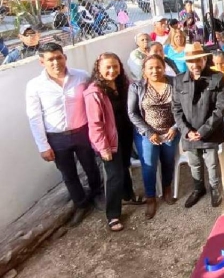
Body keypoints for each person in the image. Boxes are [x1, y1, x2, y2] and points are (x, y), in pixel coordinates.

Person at [25, 43, 102, 227]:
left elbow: (93, 101)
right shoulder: (35, 86)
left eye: (58, 57)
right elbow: (34, 117)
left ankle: (98, 194)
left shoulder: (81, 76)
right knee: (68, 174)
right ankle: (81, 204)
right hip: (56, 138)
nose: (55, 62)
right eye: (50, 59)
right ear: (41, 62)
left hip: (82, 132)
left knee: (91, 166)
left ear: (65, 57)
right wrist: (43, 146)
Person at [84, 53, 141, 232]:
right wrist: (103, 147)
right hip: (109, 140)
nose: (112, 70)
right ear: (98, 69)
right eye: (107, 67)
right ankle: (113, 214)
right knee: (113, 176)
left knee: (125, 166)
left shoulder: (124, 83)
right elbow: (95, 124)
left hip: (125, 133)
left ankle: (128, 195)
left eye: (115, 66)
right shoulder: (94, 92)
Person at [172, 43, 224, 208]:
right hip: (189, 133)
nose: (195, 65)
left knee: (211, 163)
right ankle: (198, 189)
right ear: (186, 63)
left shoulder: (217, 77)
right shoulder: (178, 81)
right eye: (191, 61)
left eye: (198, 60)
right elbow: (176, 109)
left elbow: (221, 107)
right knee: (194, 163)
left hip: (209, 131)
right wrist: (186, 130)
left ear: (205, 59)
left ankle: (214, 188)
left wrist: (204, 130)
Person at [128, 54, 179, 218]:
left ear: (164, 68)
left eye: (158, 67)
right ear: (144, 70)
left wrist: (175, 126)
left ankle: (167, 189)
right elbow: (132, 113)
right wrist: (149, 132)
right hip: (147, 134)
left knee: (168, 161)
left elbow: (183, 107)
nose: (155, 70)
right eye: (150, 67)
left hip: (170, 131)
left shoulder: (174, 83)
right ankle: (150, 197)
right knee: (149, 165)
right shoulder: (136, 87)